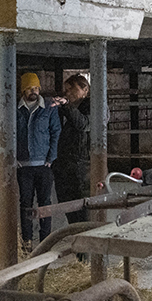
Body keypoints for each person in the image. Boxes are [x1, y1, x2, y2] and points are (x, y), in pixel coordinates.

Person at [16, 72, 60, 249]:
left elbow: (56, 131)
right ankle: (27, 241)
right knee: (26, 203)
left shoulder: (49, 107)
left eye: (36, 88)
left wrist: (51, 156)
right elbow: (8, 133)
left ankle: (45, 241)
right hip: (23, 165)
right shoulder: (15, 109)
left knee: (45, 203)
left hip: (44, 164)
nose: (33, 91)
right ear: (23, 91)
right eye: (29, 88)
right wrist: (13, 157)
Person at [51, 74, 92, 225]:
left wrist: (67, 106)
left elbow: (83, 125)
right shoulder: (69, 108)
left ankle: (85, 246)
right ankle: (77, 242)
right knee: (70, 210)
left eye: (71, 89)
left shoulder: (94, 106)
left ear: (85, 90)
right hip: (66, 168)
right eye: (65, 90)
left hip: (82, 169)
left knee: (83, 212)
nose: (67, 93)